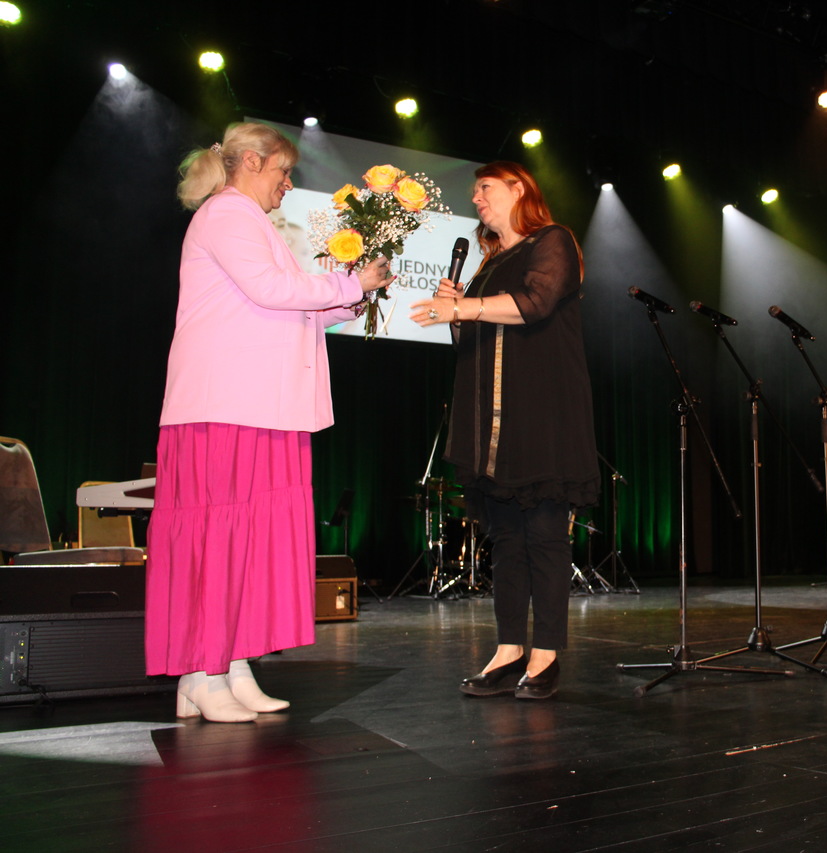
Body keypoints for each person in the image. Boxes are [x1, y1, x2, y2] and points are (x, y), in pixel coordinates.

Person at [148, 122, 390, 722]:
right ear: (251, 161)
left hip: (259, 406)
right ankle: (201, 672)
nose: (289, 184)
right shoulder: (227, 213)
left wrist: (350, 295)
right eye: (284, 171)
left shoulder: (253, 222)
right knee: (218, 536)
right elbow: (269, 289)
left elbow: (289, 309)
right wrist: (346, 280)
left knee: (249, 540)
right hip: (225, 405)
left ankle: (230, 664)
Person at [410, 162, 598, 700]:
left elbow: (536, 303)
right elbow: (468, 342)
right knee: (507, 540)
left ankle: (546, 654)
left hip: (541, 417)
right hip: (489, 427)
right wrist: (457, 313)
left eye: (485, 188)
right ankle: (509, 650)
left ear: (519, 190)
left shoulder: (552, 241)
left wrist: (463, 306)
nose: (476, 199)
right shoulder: (489, 263)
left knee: (543, 536)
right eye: (474, 192)